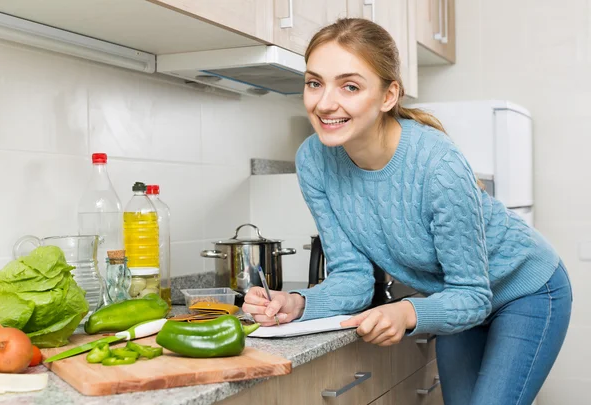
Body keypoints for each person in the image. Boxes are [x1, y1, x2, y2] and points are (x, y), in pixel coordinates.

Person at [242, 18, 572, 405]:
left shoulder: (437, 165)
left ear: (388, 95)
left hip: (527, 290)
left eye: (349, 86)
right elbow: (353, 276)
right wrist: (299, 303)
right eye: (315, 82)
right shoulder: (314, 161)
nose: (325, 102)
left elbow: (472, 294)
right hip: (452, 298)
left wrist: (407, 312)